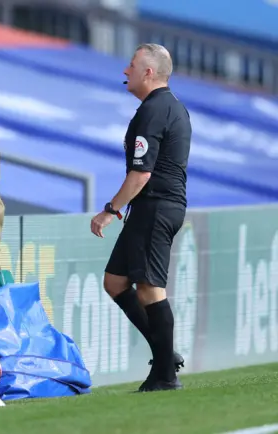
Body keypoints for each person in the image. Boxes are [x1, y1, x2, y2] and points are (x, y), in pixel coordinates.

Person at [90, 43, 191, 392]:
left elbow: (141, 174)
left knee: (149, 288)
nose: (125, 71)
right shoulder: (171, 107)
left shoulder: (154, 111)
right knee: (115, 282)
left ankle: (164, 374)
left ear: (149, 72)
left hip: (154, 206)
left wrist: (110, 210)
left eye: (131, 65)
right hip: (158, 207)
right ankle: (165, 355)